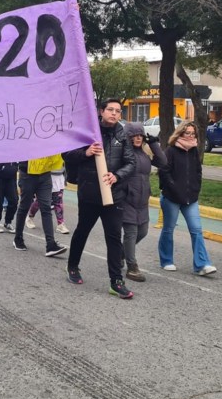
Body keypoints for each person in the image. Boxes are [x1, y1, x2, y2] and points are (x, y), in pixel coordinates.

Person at [63, 99, 136, 299]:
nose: (114, 113)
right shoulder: (88, 132)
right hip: (89, 193)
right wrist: (86, 152)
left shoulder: (122, 134)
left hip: (114, 195)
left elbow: (131, 163)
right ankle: (72, 267)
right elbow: (67, 154)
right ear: (101, 111)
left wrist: (117, 176)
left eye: (118, 111)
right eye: (110, 110)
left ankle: (116, 281)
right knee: (82, 231)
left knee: (114, 238)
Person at [157, 122, 217, 276]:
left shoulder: (194, 151)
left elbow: (198, 171)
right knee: (168, 229)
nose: (190, 136)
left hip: (191, 198)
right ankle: (166, 261)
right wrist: (173, 188)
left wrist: (196, 188)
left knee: (196, 230)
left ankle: (202, 264)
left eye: (193, 133)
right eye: (187, 133)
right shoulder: (170, 151)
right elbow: (163, 172)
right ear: (180, 134)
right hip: (171, 197)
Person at [122, 123, 167, 282]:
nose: (138, 138)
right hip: (127, 199)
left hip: (142, 201)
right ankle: (132, 267)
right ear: (128, 137)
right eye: (134, 136)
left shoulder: (144, 153)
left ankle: (120, 254)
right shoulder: (123, 153)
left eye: (140, 135)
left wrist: (154, 144)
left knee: (143, 231)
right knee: (131, 233)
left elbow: (163, 162)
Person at [13, 156, 69, 257]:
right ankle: (18, 238)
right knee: (24, 207)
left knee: (46, 208)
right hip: (27, 173)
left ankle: (50, 245)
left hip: (45, 174)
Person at [26, 165, 69, 234]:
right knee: (40, 201)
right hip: (47, 176)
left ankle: (60, 224)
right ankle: (30, 217)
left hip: (59, 176)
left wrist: (65, 176)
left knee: (58, 201)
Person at [0, 162, 18, 233]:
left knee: (14, 200)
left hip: (11, 177)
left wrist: (15, 167)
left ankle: (8, 222)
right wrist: (0, 167)